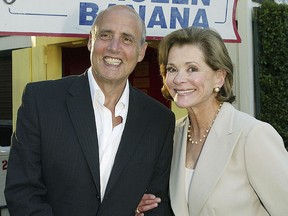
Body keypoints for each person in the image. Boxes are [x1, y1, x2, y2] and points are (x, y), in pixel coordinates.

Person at [5, 5, 175, 216]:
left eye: (127, 39)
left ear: (141, 52)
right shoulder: (41, 100)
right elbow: (22, 192)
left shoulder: (159, 120)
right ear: (90, 41)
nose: (114, 47)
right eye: (105, 35)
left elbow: (157, 204)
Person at [136, 27, 288, 216]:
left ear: (219, 77)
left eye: (192, 69)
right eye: (172, 69)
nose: (179, 79)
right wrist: (139, 205)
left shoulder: (252, 135)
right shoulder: (173, 136)